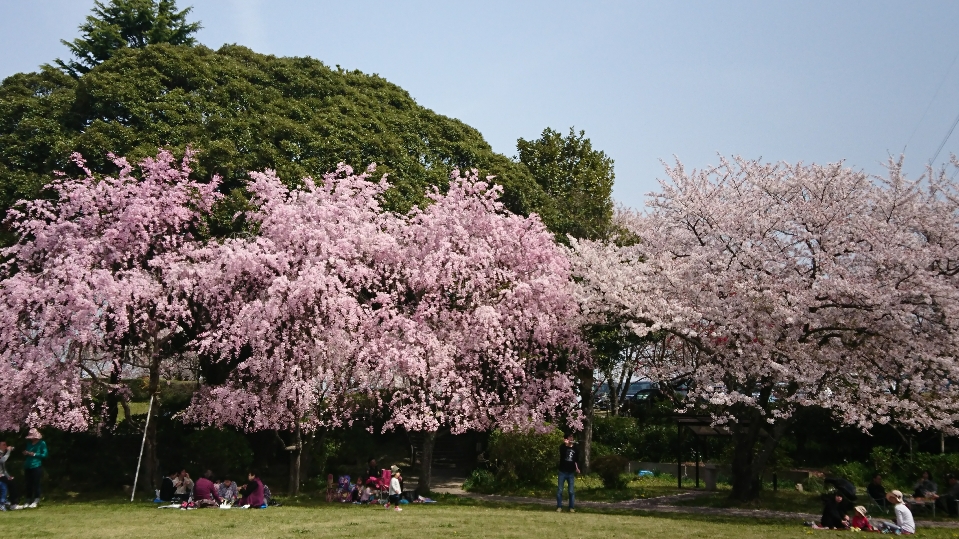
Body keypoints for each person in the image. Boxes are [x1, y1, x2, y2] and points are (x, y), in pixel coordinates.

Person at [22, 428, 46, 508]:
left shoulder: (42, 443)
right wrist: (26, 453)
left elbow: (44, 455)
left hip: (36, 465)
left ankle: (36, 499)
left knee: (36, 483)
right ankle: (28, 499)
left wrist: (35, 454)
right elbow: (27, 451)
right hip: (28, 465)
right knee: (28, 483)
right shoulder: (29, 444)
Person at [556, 433, 580, 513]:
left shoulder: (576, 448)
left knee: (571, 491)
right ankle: (559, 506)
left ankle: (571, 507)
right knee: (560, 490)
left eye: (572, 437)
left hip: (571, 473)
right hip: (562, 471)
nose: (571, 438)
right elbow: (562, 454)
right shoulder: (562, 447)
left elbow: (576, 460)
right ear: (566, 438)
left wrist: (577, 468)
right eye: (569, 437)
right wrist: (566, 445)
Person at [0, 441, 18, 510]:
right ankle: (6, 502)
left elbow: (3, 469)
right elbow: (2, 461)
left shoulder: (2, 454)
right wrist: (8, 451)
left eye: (6, 445)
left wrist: (8, 476)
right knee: (6, 486)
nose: (5, 446)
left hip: (2, 475)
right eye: (3, 445)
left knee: (12, 483)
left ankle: (12, 503)